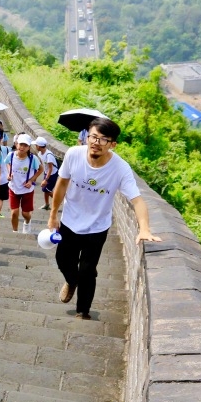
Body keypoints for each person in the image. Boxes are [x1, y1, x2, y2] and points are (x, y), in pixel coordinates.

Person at [48, 117, 161, 320]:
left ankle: (83, 311)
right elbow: (62, 184)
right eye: (93, 137)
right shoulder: (74, 154)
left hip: (97, 227)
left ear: (112, 144)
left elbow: (137, 200)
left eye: (103, 139)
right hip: (69, 221)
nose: (96, 142)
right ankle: (71, 281)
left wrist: (144, 228)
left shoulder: (120, 168)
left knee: (88, 270)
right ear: (87, 137)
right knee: (63, 260)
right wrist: (53, 214)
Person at [5, 134, 43, 234]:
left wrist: (31, 180)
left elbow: (40, 169)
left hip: (27, 190)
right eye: (21, 144)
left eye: (25, 145)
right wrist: (9, 173)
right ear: (17, 144)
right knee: (14, 212)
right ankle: (15, 231)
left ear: (29, 147)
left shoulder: (32, 158)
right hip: (13, 187)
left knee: (25, 213)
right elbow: (7, 163)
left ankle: (27, 222)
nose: (22, 147)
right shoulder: (11, 155)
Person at [33, 136, 59, 210]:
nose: (35, 146)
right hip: (47, 172)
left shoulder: (49, 155)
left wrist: (46, 180)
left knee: (47, 190)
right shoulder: (40, 153)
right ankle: (47, 204)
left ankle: (57, 201)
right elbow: (42, 165)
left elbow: (50, 168)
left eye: (36, 145)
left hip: (52, 174)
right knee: (45, 189)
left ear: (39, 146)